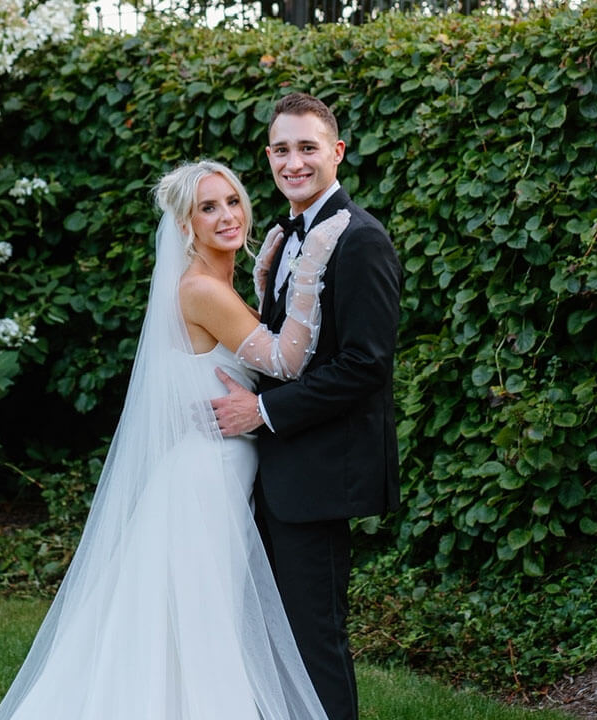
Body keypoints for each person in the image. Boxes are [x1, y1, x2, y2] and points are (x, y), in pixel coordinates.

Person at [0, 160, 349, 720]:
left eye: (231, 200)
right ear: (185, 225)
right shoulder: (202, 289)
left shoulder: (214, 284)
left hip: (215, 470)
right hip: (207, 478)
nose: (227, 215)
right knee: (205, 626)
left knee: (195, 621)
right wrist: (313, 265)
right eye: (209, 207)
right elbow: (287, 360)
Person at [211, 92, 402, 720]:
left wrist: (263, 414)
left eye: (308, 148)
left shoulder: (362, 240)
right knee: (277, 636)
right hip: (279, 466)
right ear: (269, 156)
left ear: (337, 152)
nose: (294, 162)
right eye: (282, 150)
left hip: (319, 471)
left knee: (314, 637)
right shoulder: (286, 235)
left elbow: (366, 365)